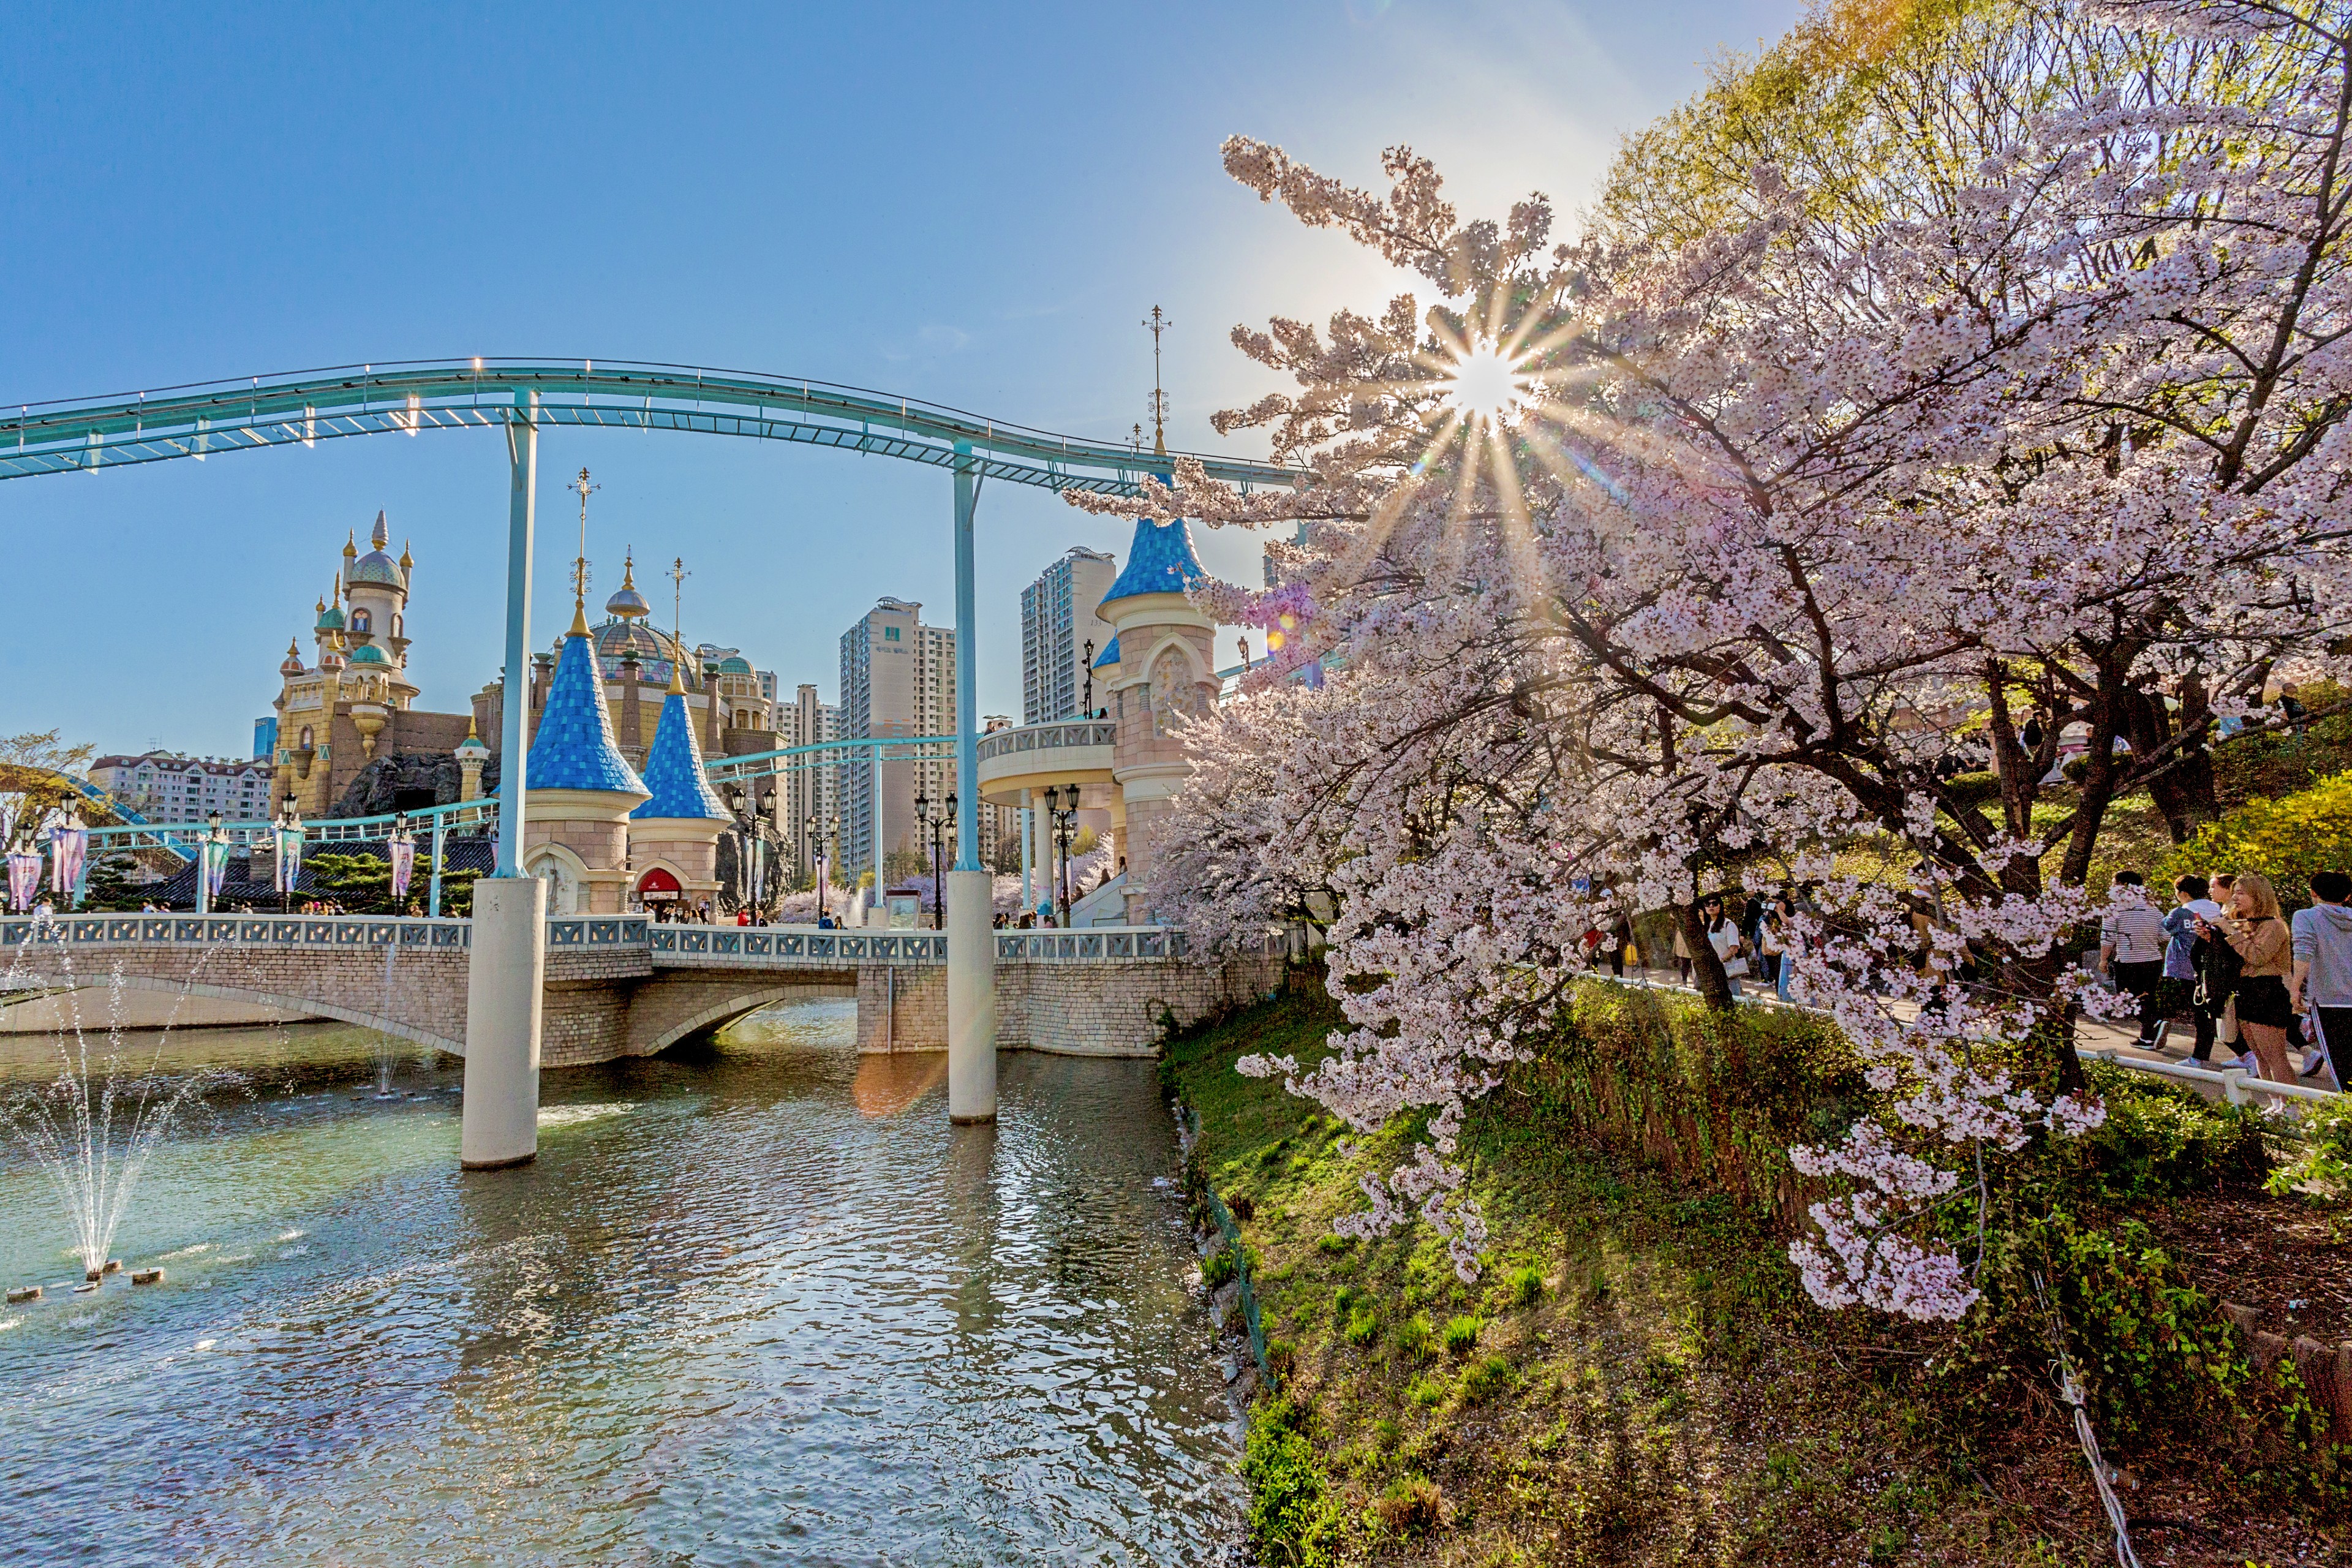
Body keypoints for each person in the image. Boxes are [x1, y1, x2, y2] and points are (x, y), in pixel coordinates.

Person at [2206, 873, 2295, 1082]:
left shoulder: (2274, 925)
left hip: (2267, 991)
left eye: (2241, 893)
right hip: (2244, 990)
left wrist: (2230, 931)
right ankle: (2275, 1104)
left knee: (2275, 1056)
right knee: (2260, 1056)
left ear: (2258, 896)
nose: (2235, 898)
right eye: (2235, 892)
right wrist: (2211, 936)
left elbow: (2258, 957)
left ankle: (2291, 1108)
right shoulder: (2245, 924)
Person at [2291, 869, 2352, 1087]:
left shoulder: (2305, 916)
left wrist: (2295, 988)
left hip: (2328, 1000)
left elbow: (2303, 953)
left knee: (2341, 1066)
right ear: (2347, 896)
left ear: (2314, 892)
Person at [2099, 871, 2169, 1047]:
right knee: (2146, 997)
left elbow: (2108, 937)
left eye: (2114, 883)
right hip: (2153, 961)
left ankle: (2155, 1022)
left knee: (2130, 999)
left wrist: (2103, 960)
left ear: (2124, 886)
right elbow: (2164, 936)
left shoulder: (2114, 909)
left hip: (2128, 962)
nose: (2112, 887)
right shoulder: (2153, 909)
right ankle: (2147, 1038)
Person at [2162, 874, 2225, 1060]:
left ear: (2185, 894)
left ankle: (2198, 1057)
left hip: (2183, 967)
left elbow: (2166, 926)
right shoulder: (2218, 910)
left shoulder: (2180, 912)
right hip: (2212, 968)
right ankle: (2203, 1054)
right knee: (2206, 1014)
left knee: (2188, 1008)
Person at [1701, 894, 1748, 998]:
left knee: (1733, 999)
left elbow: (1734, 949)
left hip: (1727, 969)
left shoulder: (1728, 924)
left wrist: (1720, 961)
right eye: (1708, 904)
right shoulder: (1705, 926)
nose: (1711, 906)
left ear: (1720, 906)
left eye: (1715, 903)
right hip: (1710, 971)